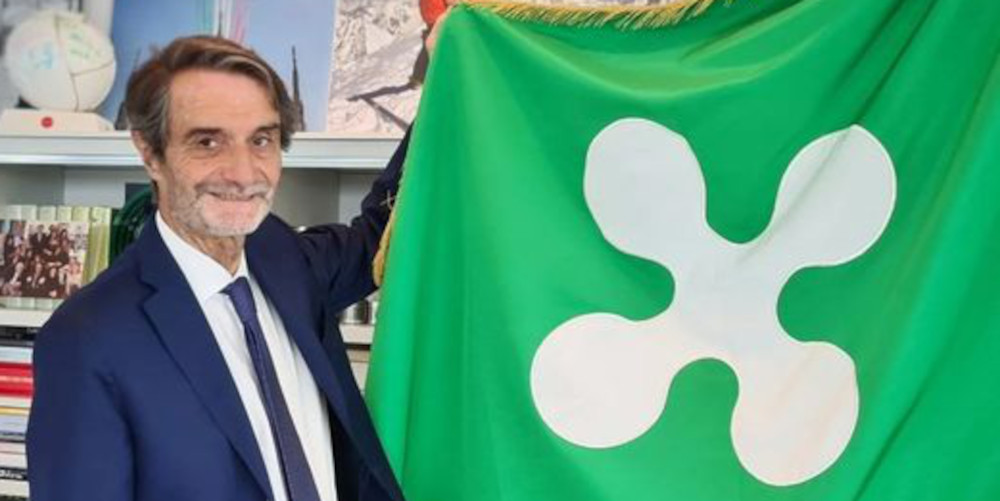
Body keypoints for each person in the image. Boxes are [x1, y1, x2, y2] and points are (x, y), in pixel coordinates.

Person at [27, 35, 408, 501]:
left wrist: (450, 74)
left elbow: (380, 235)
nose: (243, 174)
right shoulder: (86, 340)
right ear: (150, 152)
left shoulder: (284, 257)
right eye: (208, 142)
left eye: (261, 140)